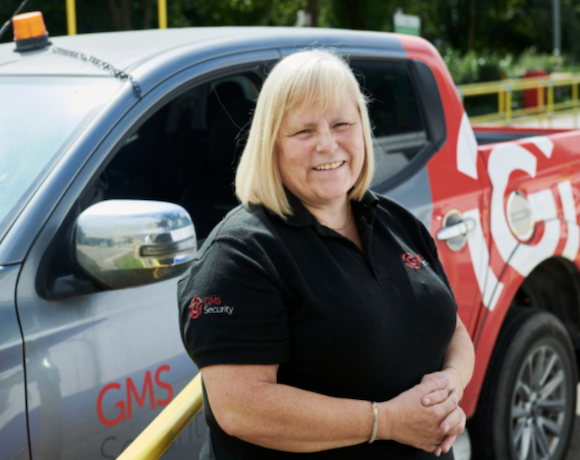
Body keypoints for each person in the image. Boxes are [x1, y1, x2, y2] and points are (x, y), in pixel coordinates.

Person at [178, 49, 475, 459]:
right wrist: (386, 421)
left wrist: (451, 386)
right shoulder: (239, 256)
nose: (327, 144)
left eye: (341, 124)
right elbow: (242, 407)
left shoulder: (396, 222)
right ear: (271, 146)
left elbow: (453, 329)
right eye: (303, 132)